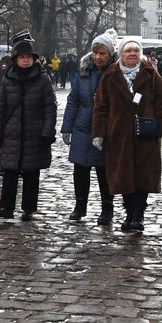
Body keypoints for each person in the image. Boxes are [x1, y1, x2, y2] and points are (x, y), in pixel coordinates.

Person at [92, 39, 162, 232]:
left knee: (143, 175)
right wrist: (99, 133)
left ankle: (138, 215)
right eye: (128, 51)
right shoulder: (110, 75)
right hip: (118, 134)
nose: (132, 54)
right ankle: (129, 213)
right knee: (123, 175)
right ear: (120, 54)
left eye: (136, 50)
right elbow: (101, 107)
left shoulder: (151, 74)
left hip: (145, 133)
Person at [0, 30, 57, 221]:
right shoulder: (8, 79)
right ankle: (6, 207)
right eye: (22, 57)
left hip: (33, 134)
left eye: (29, 57)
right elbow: (0, 108)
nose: (26, 60)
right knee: (9, 172)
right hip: (12, 133)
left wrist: (47, 132)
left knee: (30, 173)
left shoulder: (43, 79)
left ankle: (28, 208)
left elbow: (50, 108)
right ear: (16, 60)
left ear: (34, 59)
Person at [61, 29, 119, 225]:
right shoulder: (84, 73)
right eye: (95, 52)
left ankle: (107, 208)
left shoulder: (115, 74)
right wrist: (67, 127)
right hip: (82, 128)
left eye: (102, 53)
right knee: (80, 169)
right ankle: (80, 206)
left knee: (104, 171)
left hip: (105, 129)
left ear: (110, 55)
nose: (98, 57)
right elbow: (73, 101)